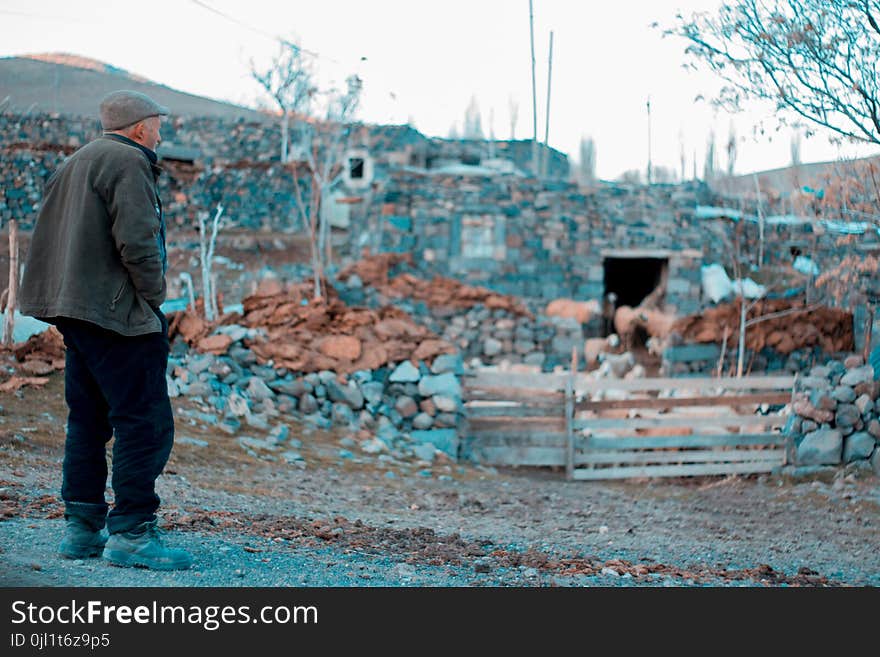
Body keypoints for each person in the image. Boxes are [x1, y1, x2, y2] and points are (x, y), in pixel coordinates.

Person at [19, 90, 191, 570]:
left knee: (88, 420)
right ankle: (133, 533)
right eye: (157, 125)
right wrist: (152, 299)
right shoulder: (128, 161)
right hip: (116, 314)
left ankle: (81, 528)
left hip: (75, 310)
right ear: (139, 128)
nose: (160, 134)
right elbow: (137, 240)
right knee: (144, 421)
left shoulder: (76, 161)